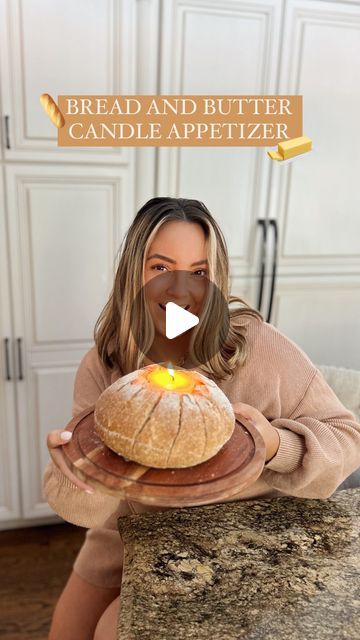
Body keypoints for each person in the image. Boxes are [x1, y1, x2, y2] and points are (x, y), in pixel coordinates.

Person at [43, 197, 360, 640]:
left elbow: (347, 437)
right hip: (131, 535)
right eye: (160, 267)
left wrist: (273, 445)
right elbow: (85, 510)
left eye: (198, 272)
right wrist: (79, 474)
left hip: (243, 542)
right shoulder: (105, 365)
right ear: (133, 272)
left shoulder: (258, 348)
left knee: (112, 630)